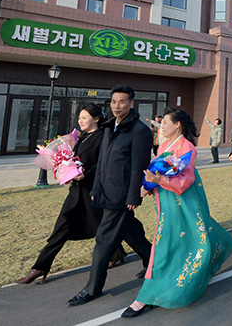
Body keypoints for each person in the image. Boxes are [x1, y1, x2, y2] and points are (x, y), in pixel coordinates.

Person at [121, 108, 232, 318]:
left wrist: (160, 181)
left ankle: (146, 296)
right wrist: (147, 187)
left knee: (170, 244)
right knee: (170, 243)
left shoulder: (186, 147)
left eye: (165, 122)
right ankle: (158, 289)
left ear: (177, 125)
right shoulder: (163, 146)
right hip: (165, 203)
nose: (161, 126)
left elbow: (186, 179)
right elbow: (155, 172)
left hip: (183, 204)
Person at [16, 103, 125, 285]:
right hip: (76, 192)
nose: (80, 121)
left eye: (84, 117)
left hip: (92, 191)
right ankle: (40, 267)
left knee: (104, 226)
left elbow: (104, 164)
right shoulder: (81, 138)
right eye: (79, 118)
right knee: (61, 228)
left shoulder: (102, 137)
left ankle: (119, 252)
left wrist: (85, 174)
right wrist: (63, 166)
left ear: (96, 119)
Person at [67, 86, 153, 306]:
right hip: (105, 191)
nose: (117, 106)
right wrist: (96, 189)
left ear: (131, 103)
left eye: (122, 102)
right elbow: (102, 161)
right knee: (130, 230)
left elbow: (139, 166)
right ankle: (153, 262)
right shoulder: (108, 127)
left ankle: (92, 289)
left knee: (104, 240)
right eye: (114, 102)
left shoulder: (140, 131)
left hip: (122, 195)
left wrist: (134, 196)